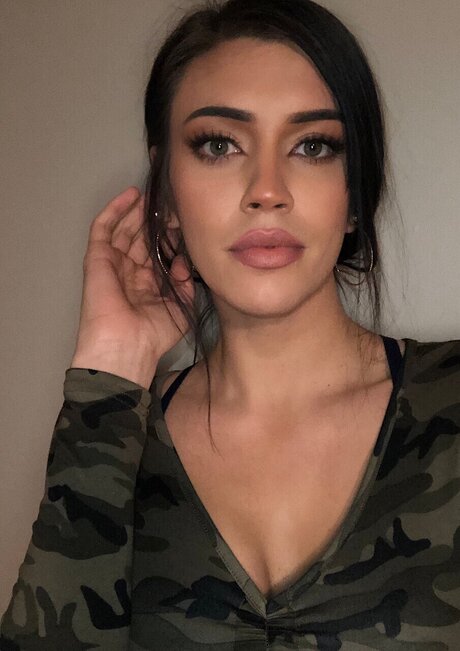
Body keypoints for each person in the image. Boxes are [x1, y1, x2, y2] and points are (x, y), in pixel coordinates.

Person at [1, 0, 459, 648]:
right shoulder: (117, 430)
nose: (266, 189)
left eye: (312, 146)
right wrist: (109, 369)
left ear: (355, 193)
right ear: (166, 191)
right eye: (219, 145)